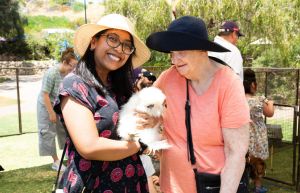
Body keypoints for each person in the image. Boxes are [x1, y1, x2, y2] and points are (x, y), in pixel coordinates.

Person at [146, 16, 250, 193]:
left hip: (214, 187)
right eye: (172, 53)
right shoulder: (168, 77)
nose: (174, 60)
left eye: (181, 52)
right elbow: (145, 110)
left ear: (202, 50)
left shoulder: (228, 84)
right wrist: (152, 134)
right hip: (172, 187)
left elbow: (236, 153)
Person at [53, 14, 153, 192]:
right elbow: (89, 146)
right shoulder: (75, 84)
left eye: (127, 45)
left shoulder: (122, 87)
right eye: (112, 39)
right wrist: (140, 144)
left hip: (132, 182)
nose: (119, 49)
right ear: (93, 42)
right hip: (93, 184)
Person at [37, 47, 77, 171]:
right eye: (72, 66)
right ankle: (55, 161)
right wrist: (51, 113)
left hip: (57, 104)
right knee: (48, 132)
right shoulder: (52, 73)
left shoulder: (68, 74)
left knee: (65, 131)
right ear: (65, 62)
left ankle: (69, 157)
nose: (73, 69)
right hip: (46, 104)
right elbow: (45, 95)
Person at [243, 69, 274, 193]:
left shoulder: (237, 99)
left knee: (244, 162)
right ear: (253, 85)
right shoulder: (260, 100)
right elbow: (270, 113)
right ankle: (257, 187)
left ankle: (243, 184)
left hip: (244, 136)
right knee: (258, 162)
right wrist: (270, 103)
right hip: (258, 137)